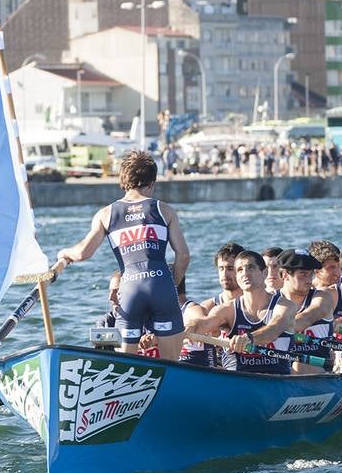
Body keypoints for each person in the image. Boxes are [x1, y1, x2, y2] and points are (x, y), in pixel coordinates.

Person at [55, 150, 191, 361]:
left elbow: (83, 252)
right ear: (152, 183)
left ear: (123, 180)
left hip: (129, 290)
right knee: (172, 367)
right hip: (161, 285)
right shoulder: (164, 210)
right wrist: (170, 284)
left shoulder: (106, 214)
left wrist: (64, 253)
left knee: (125, 367)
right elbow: (183, 256)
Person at [195, 250, 299, 374]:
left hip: (275, 380)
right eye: (239, 270)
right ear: (236, 277)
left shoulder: (285, 306)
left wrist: (249, 338)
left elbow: (274, 329)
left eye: (250, 267)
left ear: (264, 273)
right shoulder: (226, 310)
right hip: (236, 379)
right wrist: (189, 327)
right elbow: (204, 324)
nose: (245, 273)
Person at [277, 249, 337, 341]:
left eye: (311, 274)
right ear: (285, 275)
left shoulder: (323, 297)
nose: (309, 280)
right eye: (303, 274)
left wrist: (271, 332)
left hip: (321, 355)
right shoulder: (272, 300)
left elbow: (308, 318)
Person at [201, 242, 245, 309]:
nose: (224, 274)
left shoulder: (256, 305)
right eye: (221, 268)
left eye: (230, 268)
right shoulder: (207, 308)